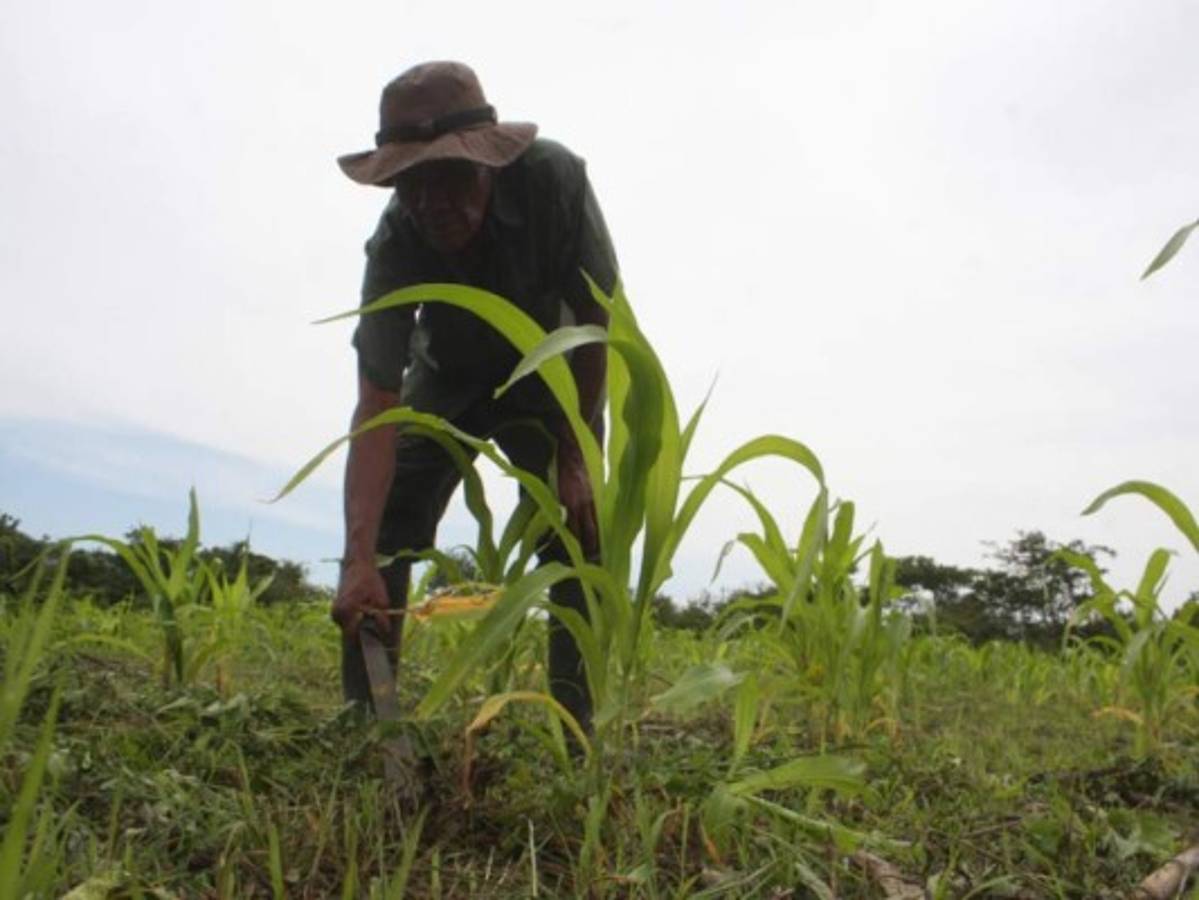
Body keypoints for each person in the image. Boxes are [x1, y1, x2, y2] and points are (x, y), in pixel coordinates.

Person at [331, 61, 618, 734]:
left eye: (450, 174)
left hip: (551, 378)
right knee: (389, 526)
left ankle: (574, 731)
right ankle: (366, 726)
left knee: (575, 537)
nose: (431, 201)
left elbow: (593, 321)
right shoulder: (397, 240)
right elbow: (376, 402)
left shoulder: (553, 179)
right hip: (445, 376)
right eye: (410, 181)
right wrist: (357, 555)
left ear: (488, 163)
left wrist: (575, 457)